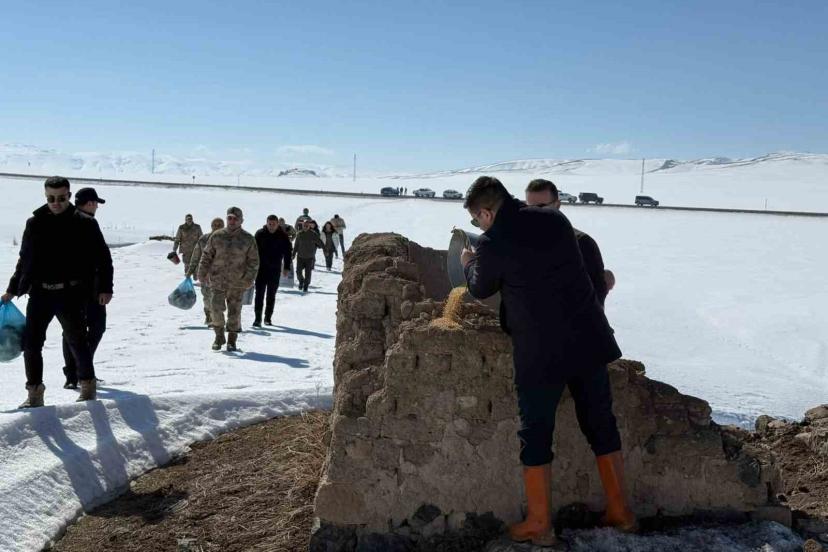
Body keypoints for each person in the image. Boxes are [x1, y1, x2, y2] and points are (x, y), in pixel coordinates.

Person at [460, 176, 635, 546]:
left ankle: (539, 523)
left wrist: (469, 262)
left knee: (536, 433)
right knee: (601, 423)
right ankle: (621, 512)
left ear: (487, 213)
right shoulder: (556, 220)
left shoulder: (493, 241)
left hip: (540, 352)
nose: (479, 225)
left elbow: (480, 287)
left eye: (476, 219)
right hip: (588, 338)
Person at [2, 176, 112, 407]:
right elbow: (24, 260)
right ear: (46, 197)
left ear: (69, 196)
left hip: (70, 294)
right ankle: (35, 394)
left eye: (61, 198)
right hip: (40, 294)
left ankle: (87, 387)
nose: (56, 203)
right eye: (51, 198)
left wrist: (105, 288)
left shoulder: (84, 223)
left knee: (77, 341)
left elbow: (103, 258)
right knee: (31, 345)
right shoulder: (35, 223)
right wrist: (12, 289)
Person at [525, 179, 614, 305]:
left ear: (557, 205)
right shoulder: (519, 242)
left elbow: (596, 296)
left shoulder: (582, 243)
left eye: (542, 207)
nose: (536, 213)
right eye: (530, 208)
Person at [60, 188, 114, 390]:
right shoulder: (81, 222)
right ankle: (77, 371)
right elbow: (103, 258)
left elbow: (102, 258)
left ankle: (79, 370)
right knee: (79, 330)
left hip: (88, 288)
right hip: (81, 289)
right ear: (89, 203)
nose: (97, 207)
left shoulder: (84, 221)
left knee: (81, 330)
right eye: (96, 203)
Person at [197, 207, 259, 352]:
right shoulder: (217, 236)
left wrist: (248, 279)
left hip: (237, 282)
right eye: (229, 218)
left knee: (234, 313)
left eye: (235, 219)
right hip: (218, 280)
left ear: (241, 220)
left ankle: (232, 340)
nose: (232, 221)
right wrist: (202, 272)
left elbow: (254, 261)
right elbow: (206, 255)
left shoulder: (248, 239)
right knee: (215, 309)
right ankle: (219, 336)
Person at [253, 215, 292, 327]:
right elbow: (253, 250)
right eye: (269, 224)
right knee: (259, 294)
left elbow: (288, 252)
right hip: (261, 269)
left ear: (277, 224)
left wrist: (286, 267)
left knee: (271, 295)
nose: (271, 226)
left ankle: (268, 318)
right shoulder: (260, 234)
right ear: (266, 223)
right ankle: (257, 318)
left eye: (273, 224)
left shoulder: (283, 236)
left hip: (275, 269)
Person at [187, 217, 225, 326]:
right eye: (215, 225)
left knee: (218, 297)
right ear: (211, 226)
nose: (217, 227)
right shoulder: (203, 239)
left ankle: (217, 318)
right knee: (207, 296)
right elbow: (196, 255)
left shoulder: (227, 239)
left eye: (219, 225)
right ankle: (209, 316)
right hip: (205, 273)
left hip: (221, 274)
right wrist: (190, 271)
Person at [292, 221, 324, 293]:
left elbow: (320, 242)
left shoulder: (313, 234)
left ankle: (306, 285)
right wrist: (293, 254)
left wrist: (325, 249)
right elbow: (296, 245)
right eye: (304, 226)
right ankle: (301, 281)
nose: (305, 227)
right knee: (298, 272)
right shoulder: (299, 234)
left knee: (308, 273)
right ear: (302, 226)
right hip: (300, 256)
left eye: (307, 226)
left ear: (309, 226)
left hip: (310, 257)